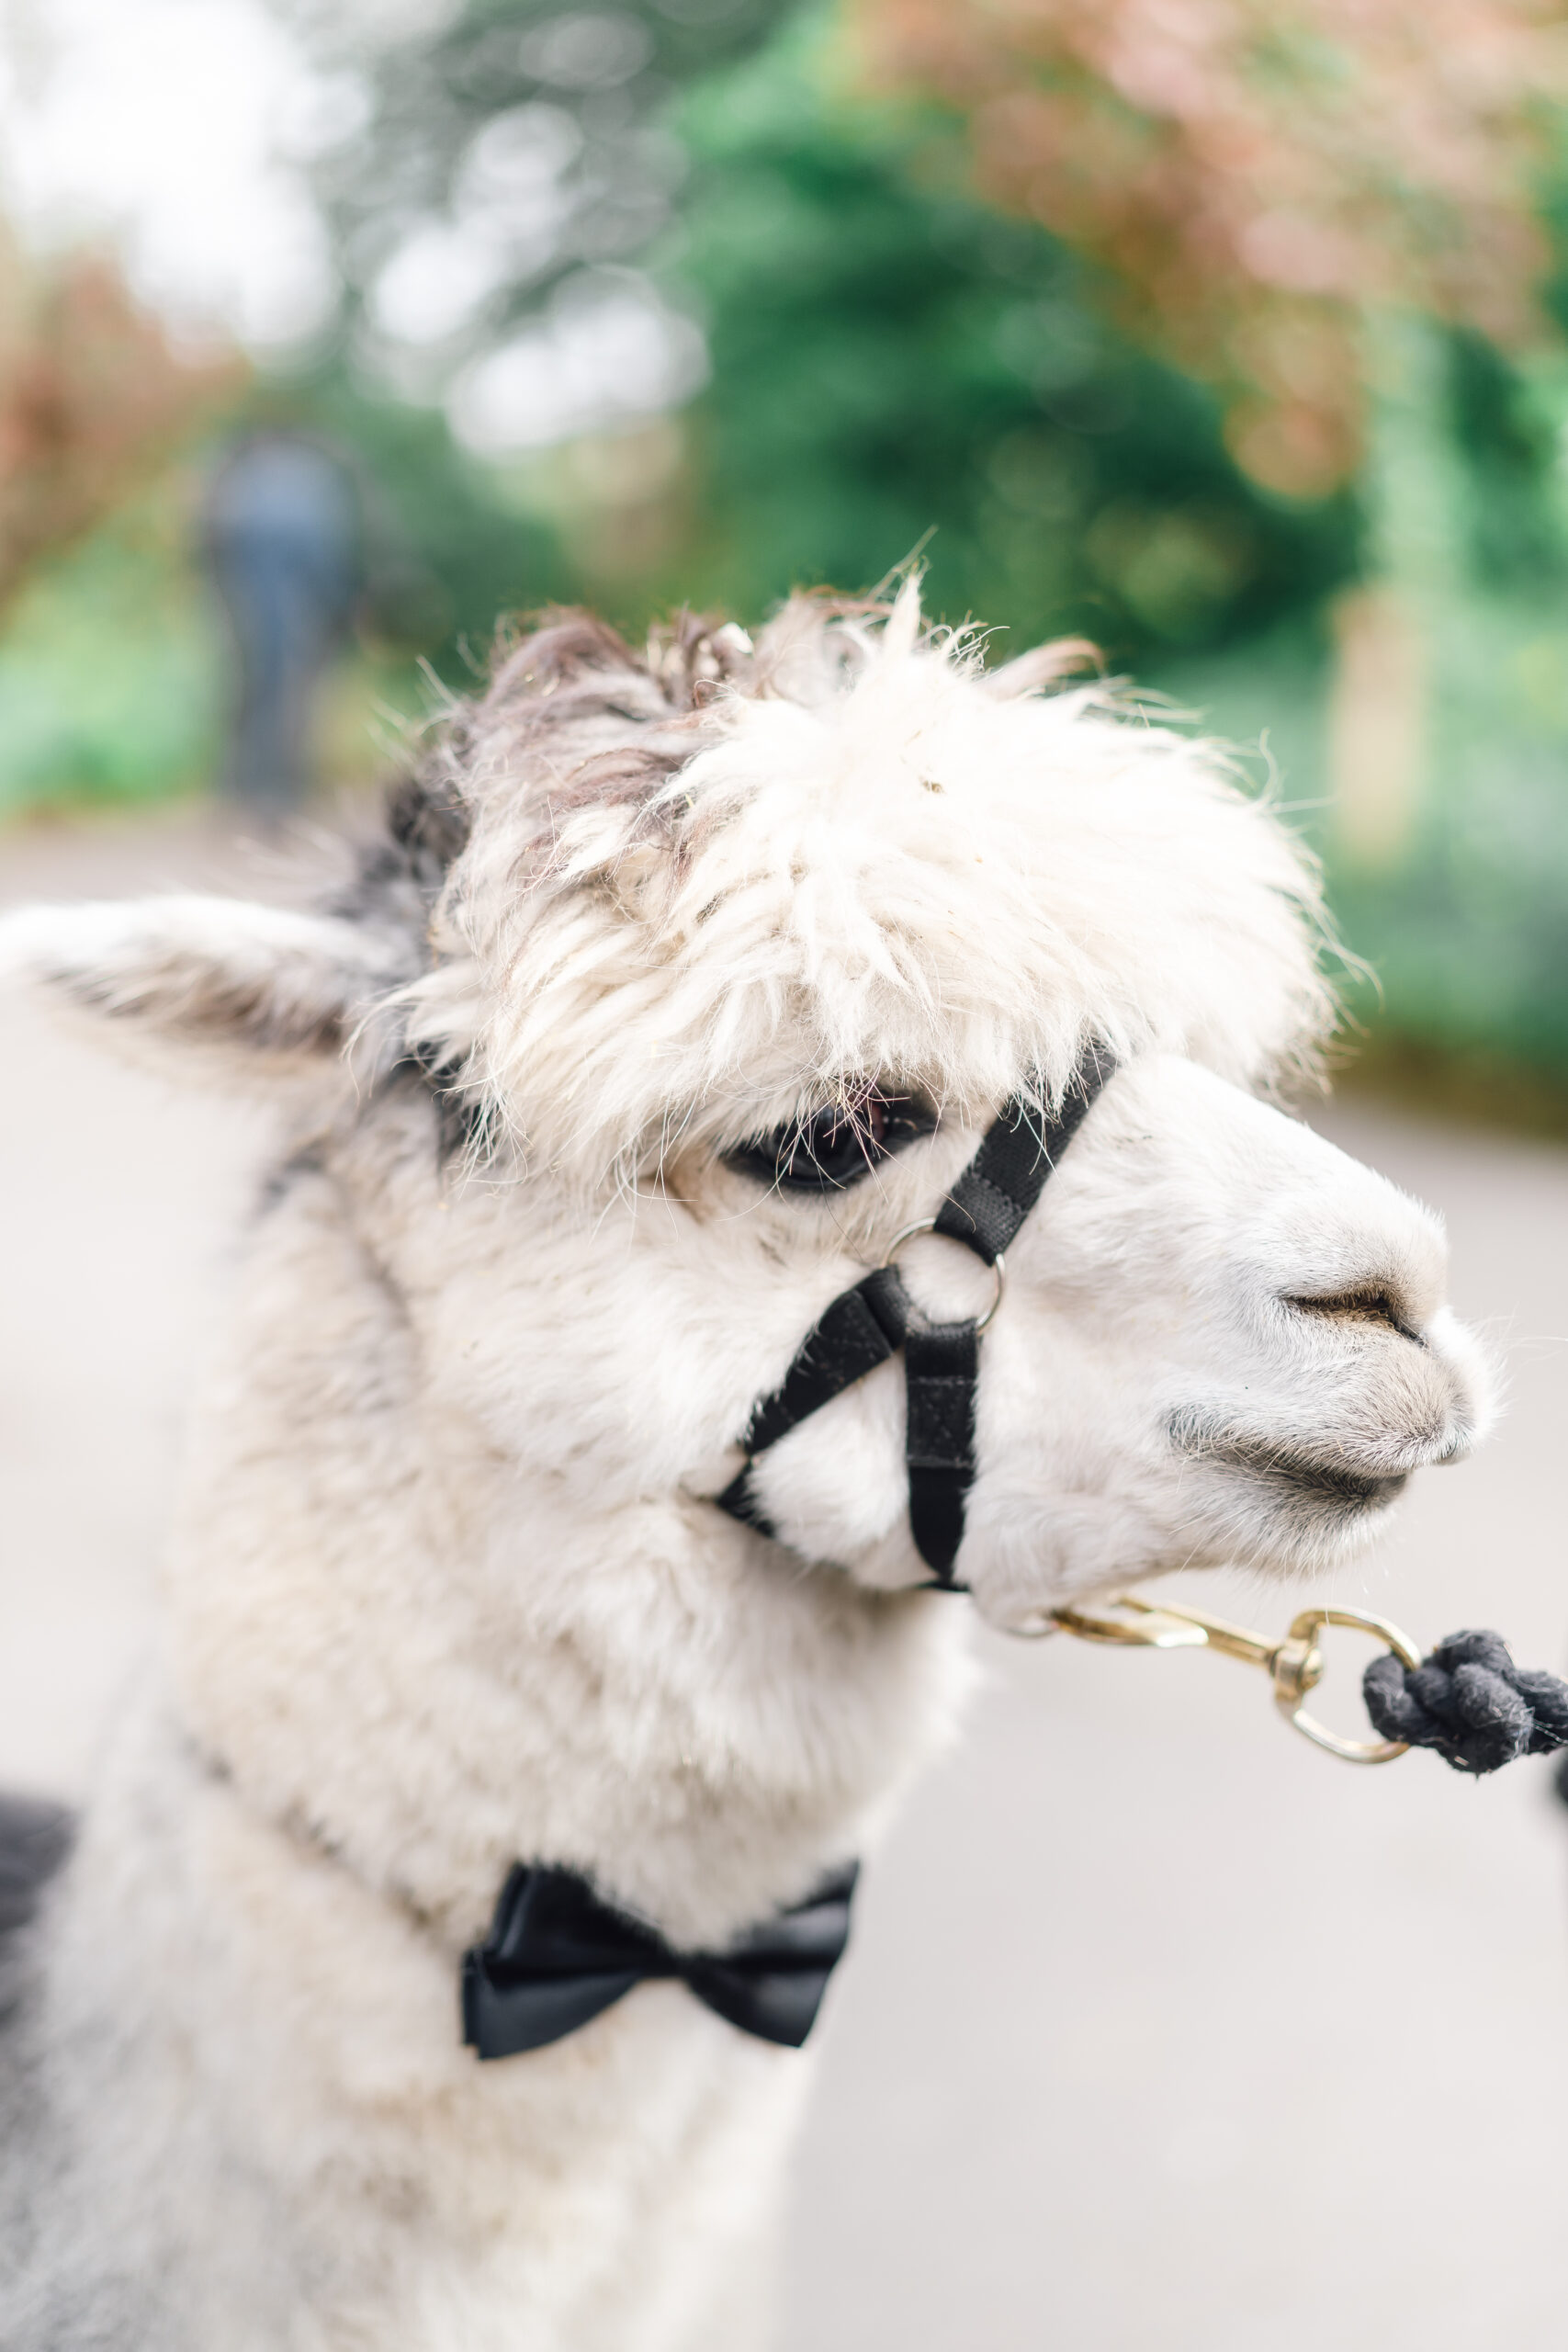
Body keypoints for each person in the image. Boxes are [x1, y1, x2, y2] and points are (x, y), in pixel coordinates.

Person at [202, 429, 364, 817]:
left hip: (265, 618)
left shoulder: (245, 484)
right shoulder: (308, 485)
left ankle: (265, 794)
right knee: (279, 701)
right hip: (273, 619)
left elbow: (211, 549)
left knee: (268, 701)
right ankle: (261, 793)